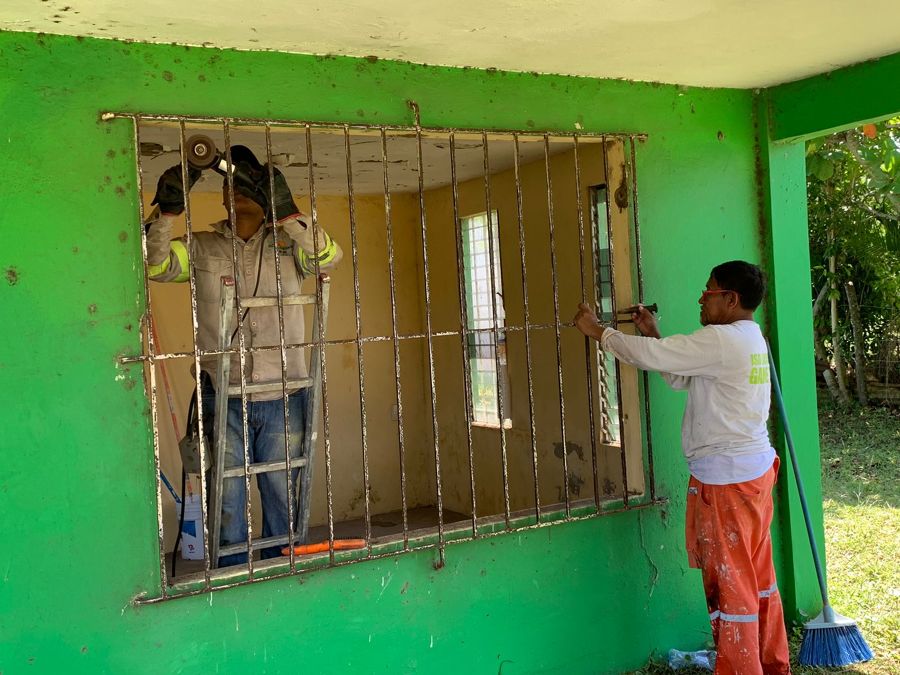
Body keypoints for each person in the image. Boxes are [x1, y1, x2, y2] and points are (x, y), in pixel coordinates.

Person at [574, 261, 790, 675]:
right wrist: (654, 333)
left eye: (708, 292)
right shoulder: (749, 338)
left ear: (731, 299)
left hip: (727, 482)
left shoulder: (722, 340)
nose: (700, 300)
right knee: (757, 579)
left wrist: (599, 331)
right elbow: (680, 375)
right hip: (752, 474)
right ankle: (771, 663)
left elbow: (652, 358)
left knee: (731, 587)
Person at [146, 147, 342, 567]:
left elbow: (330, 257)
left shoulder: (290, 245)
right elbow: (155, 264)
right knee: (226, 499)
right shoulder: (201, 247)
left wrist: (289, 212)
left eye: (250, 182)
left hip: (284, 391)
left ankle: (282, 573)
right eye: (231, 184)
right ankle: (231, 581)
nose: (237, 190)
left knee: (282, 495)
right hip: (224, 393)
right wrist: (166, 212)